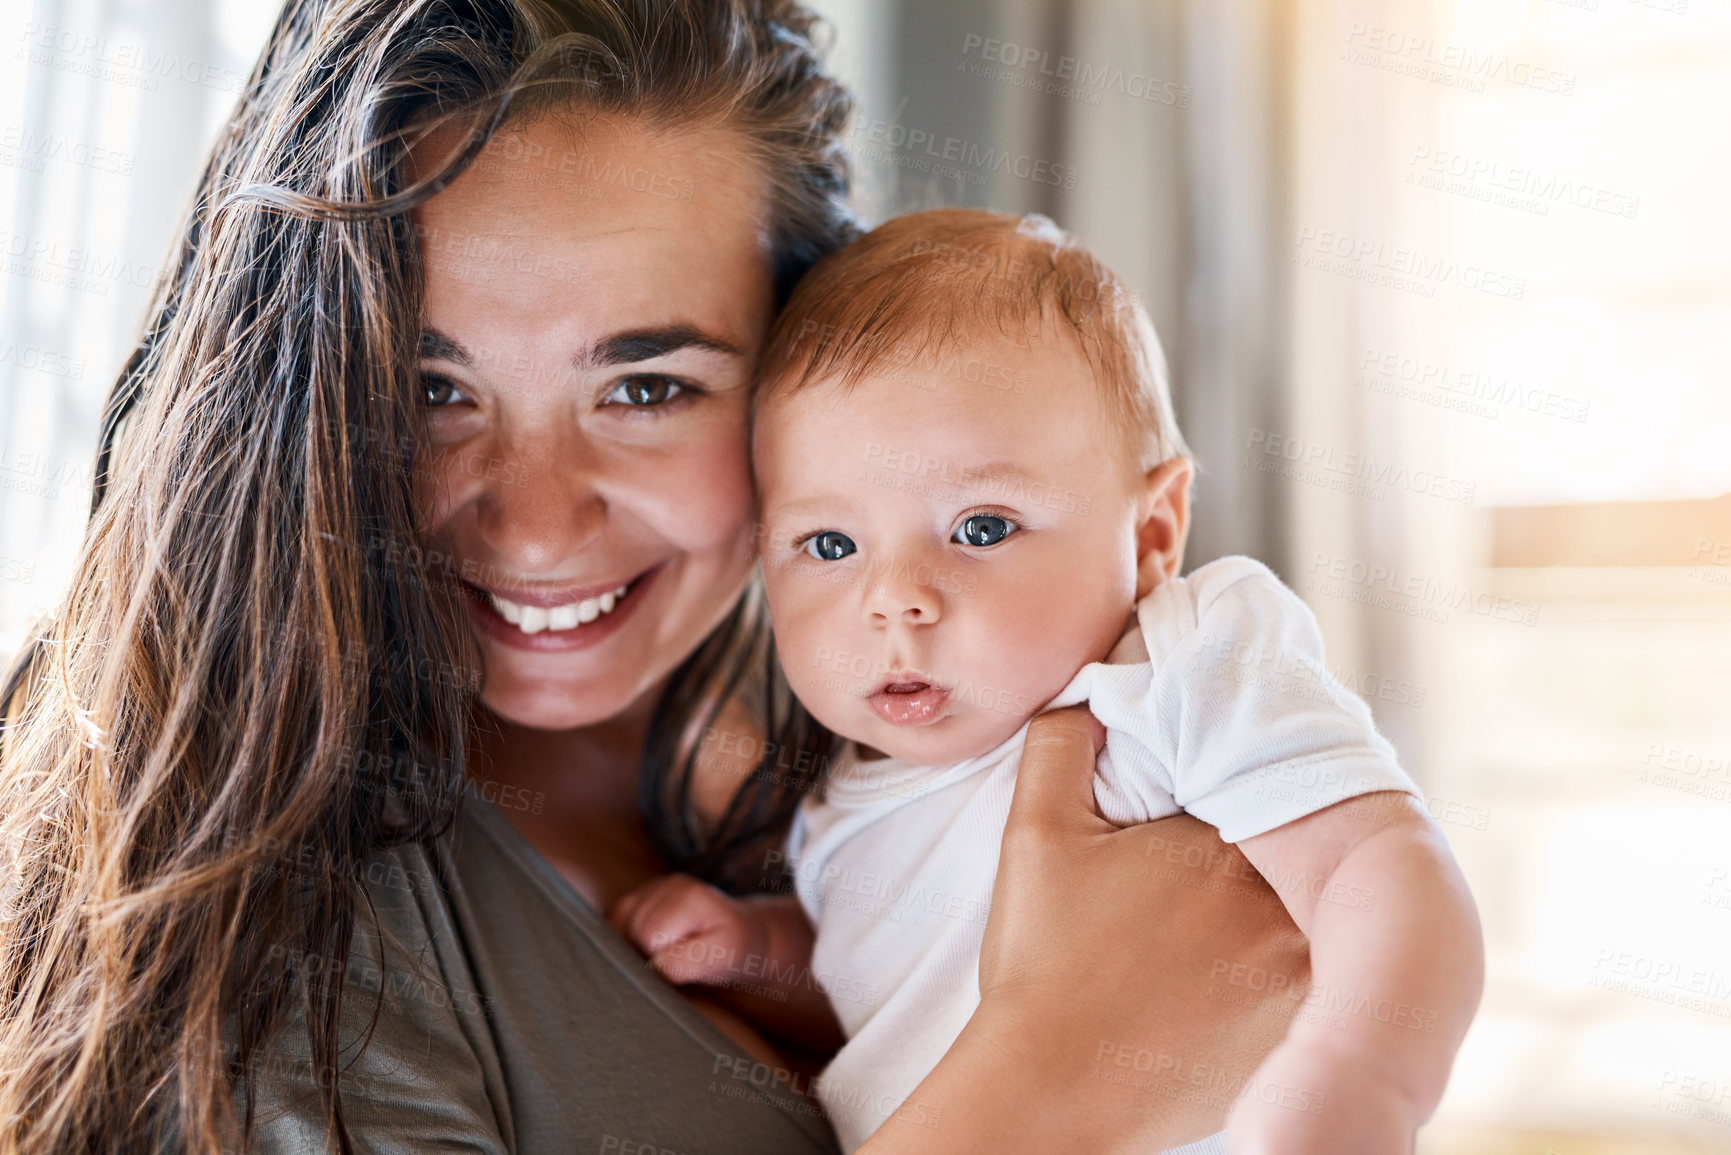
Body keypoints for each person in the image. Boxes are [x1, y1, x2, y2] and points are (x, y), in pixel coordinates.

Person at [0, 3, 1309, 1153]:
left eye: (644, 386)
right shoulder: (212, 872)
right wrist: (1046, 1082)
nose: (536, 521)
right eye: (428, 387)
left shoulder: (890, 725)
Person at [611, 210, 1485, 1152]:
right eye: (830, 544)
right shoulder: (844, 799)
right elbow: (886, 1007)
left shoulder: (1178, 666)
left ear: (1151, 533)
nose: (895, 599)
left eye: (980, 527)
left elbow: (1383, 867)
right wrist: (760, 951)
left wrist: (1361, 1070)